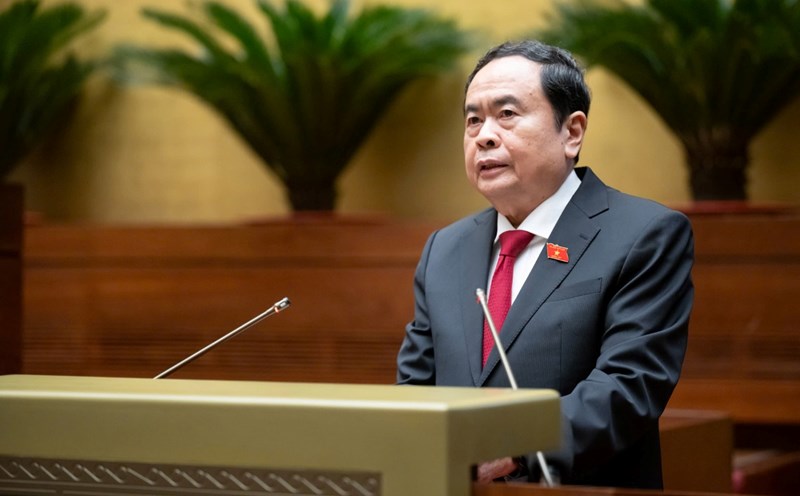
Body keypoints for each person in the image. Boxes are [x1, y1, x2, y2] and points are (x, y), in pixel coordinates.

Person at [396, 39, 694, 489]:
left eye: (507, 114)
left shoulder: (644, 234)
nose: (484, 134)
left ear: (571, 132)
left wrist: (515, 446)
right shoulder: (445, 249)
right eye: (473, 119)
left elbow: (630, 385)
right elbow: (415, 388)